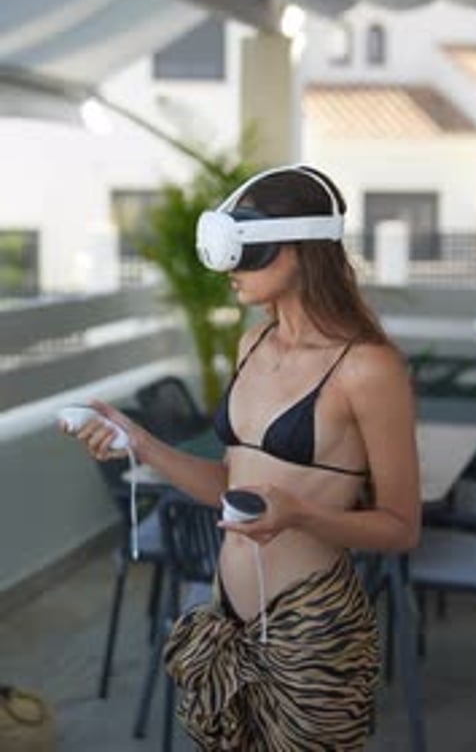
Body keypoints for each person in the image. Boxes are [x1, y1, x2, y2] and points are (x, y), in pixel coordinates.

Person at [61, 165, 420, 751]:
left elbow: (402, 529)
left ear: (301, 249)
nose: (230, 267)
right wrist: (140, 441)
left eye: (248, 248)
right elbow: (230, 483)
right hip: (225, 617)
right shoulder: (251, 343)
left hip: (314, 630)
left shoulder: (368, 368)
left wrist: (299, 514)